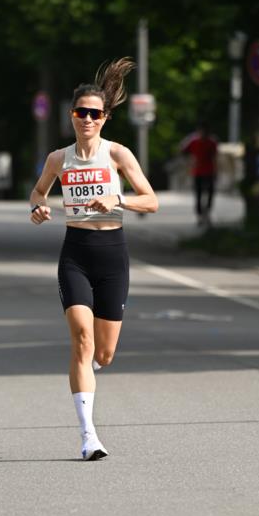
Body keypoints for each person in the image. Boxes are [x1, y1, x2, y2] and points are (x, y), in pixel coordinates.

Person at [30, 57, 159, 461]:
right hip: (76, 254)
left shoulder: (118, 155)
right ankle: (89, 437)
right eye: (80, 112)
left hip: (113, 255)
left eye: (94, 113)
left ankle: (91, 369)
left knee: (103, 354)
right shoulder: (58, 159)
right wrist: (38, 208)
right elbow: (37, 193)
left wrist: (117, 198)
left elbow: (151, 201)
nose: (87, 119)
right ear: (71, 116)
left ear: (104, 118)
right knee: (81, 339)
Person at [180, 121, 218, 226]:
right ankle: (200, 215)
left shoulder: (211, 142)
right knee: (198, 194)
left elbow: (215, 158)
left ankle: (207, 212)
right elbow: (183, 150)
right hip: (198, 171)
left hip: (209, 170)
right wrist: (189, 162)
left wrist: (216, 171)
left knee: (209, 193)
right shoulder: (194, 141)